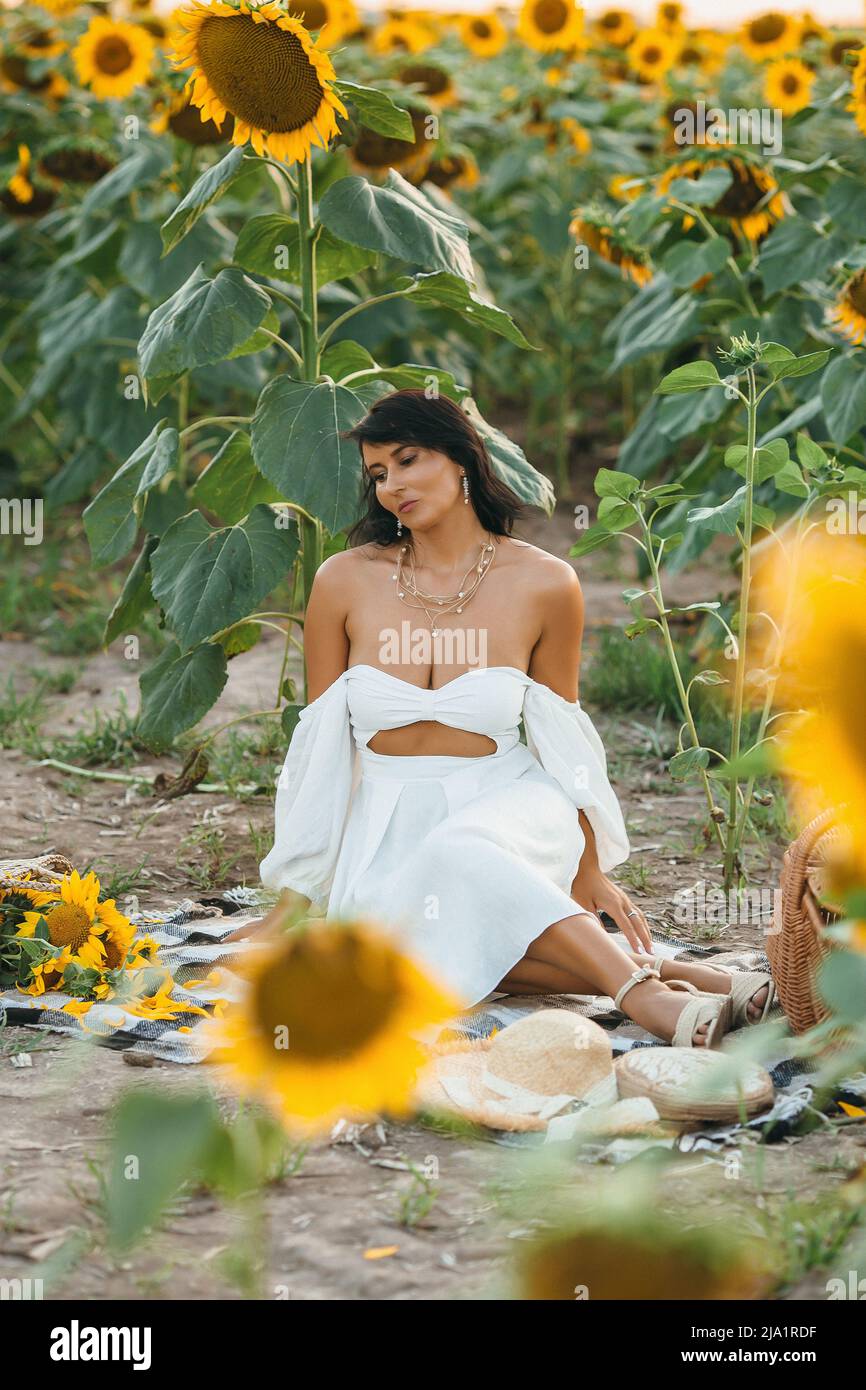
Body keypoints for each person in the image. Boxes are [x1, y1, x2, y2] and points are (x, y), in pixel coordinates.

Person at [253, 389, 776, 1047]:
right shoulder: (343, 581)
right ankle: (695, 976)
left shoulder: (546, 583)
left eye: (408, 460)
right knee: (411, 957)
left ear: (463, 458)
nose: (392, 487)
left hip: (512, 802)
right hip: (386, 824)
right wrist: (294, 899)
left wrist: (586, 865)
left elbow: (564, 735)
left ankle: (651, 1003)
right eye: (378, 473)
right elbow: (322, 748)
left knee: (459, 854)